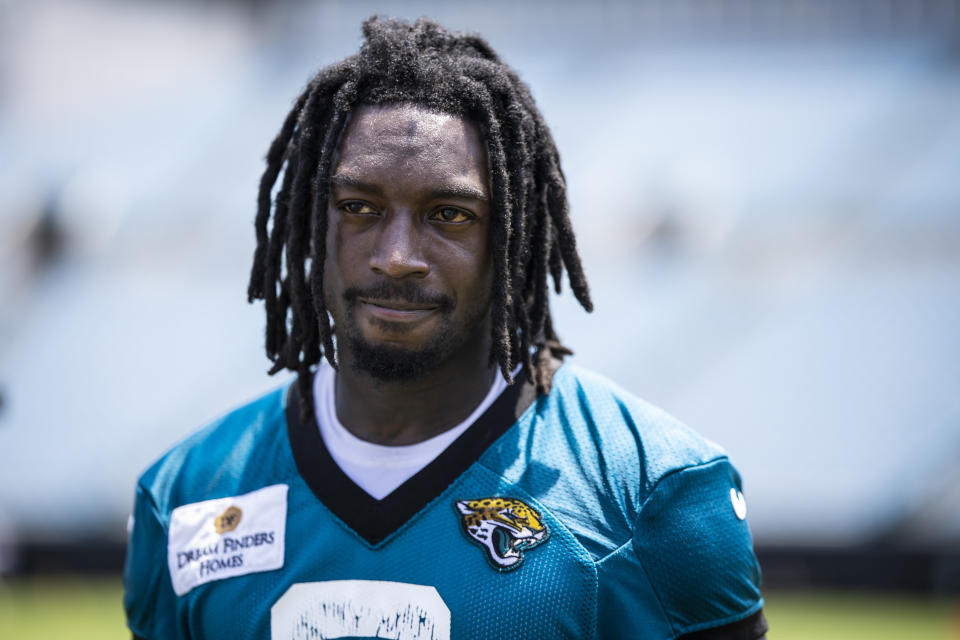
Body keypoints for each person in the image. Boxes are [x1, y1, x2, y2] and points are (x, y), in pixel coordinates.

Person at [124, 16, 766, 640]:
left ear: (512, 240)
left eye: (450, 214)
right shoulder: (186, 496)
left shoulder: (657, 492)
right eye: (358, 208)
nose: (397, 254)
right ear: (310, 225)